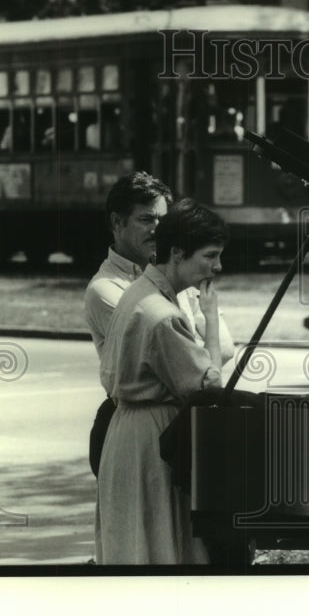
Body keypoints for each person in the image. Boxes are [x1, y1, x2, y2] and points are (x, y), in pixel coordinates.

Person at [96, 198, 230, 564]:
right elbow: (209, 388)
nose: (217, 267)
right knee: (160, 549)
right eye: (210, 255)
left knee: (135, 545)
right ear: (177, 253)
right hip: (153, 441)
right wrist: (212, 322)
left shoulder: (139, 292)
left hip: (126, 436)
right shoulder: (163, 316)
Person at [84, 172, 233, 477]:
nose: (157, 230)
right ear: (117, 223)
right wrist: (204, 328)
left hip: (166, 418)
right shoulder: (109, 290)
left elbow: (226, 349)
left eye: (163, 221)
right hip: (142, 425)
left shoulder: (166, 279)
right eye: (146, 220)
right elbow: (196, 370)